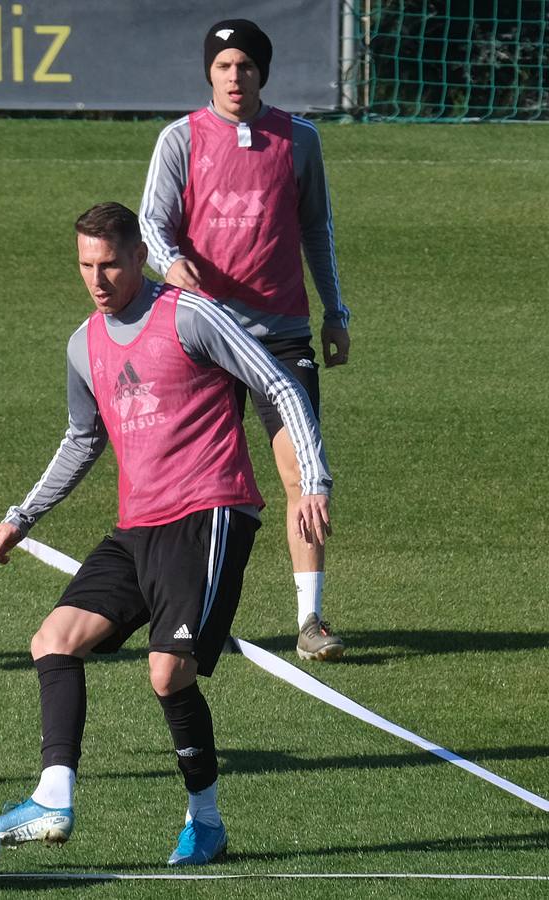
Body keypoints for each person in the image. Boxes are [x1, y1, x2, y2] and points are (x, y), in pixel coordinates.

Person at [0, 203, 331, 866]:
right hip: (136, 526)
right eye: (85, 265)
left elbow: (277, 382)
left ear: (138, 255)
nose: (97, 278)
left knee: (167, 675)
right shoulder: (83, 343)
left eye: (108, 262)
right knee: (52, 641)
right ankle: (53, 797)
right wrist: (20, 519)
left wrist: (312, 478)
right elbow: (81, 439)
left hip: (210, 512)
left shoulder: (190, 315)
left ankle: (205, 822)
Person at [139, 18, 352, 661]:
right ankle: (176, 606)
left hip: (283, 335)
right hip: (204, 336)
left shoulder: (299, 140)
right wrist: (170, 264)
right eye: (225, 66)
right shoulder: (180, 139)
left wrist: (335, 311)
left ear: (263, 73)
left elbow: (317, 229)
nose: (236, 77)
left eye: (247, 66)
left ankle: (311, 619)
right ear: (210, 72)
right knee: (194, 480)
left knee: (302, 472)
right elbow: (153, 222)